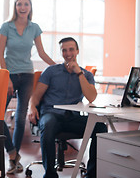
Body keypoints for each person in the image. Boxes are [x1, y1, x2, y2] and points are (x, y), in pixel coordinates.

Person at [28, 37, 107, 178]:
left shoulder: (86, 75)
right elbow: (36, 95)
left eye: (71, 49)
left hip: (72, 117)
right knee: (49, 123)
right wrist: (31, 106)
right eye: (64, 50)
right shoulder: (51, 71)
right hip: (51, 114)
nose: (68, 53)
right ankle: (50, 175)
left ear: (77, 51)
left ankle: (92, 174)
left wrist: (78, 73)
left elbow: (91, 97)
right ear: (61, 52)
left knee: (100, 127)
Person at [0, 0, 56, 174]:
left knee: (20, 117)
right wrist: (6, 76)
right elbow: (0, 54)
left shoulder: (34, 28)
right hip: (10, 75)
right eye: (19, 4)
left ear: (30, 7)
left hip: (27, 75)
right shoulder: (6, 27)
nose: (22, 7)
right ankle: (12, 151)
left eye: (26, 4)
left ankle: (14, 160)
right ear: (15, 7)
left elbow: (41, 52)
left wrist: (58, 66)